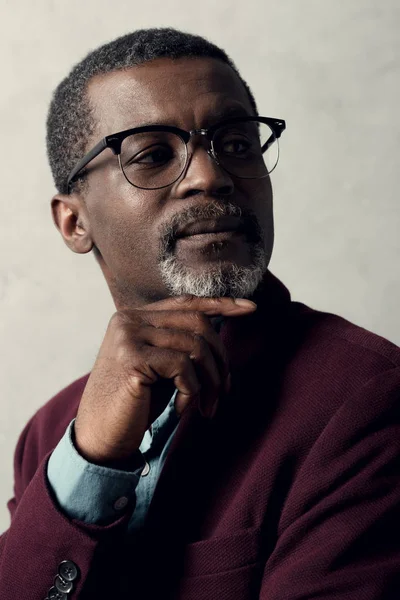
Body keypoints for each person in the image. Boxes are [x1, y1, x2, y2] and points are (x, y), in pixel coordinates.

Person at [0, 27, 399, 600]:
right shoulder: (52, 435)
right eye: (154, 154)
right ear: (74, 222)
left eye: (236, 143)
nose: (210, 175)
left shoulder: (366, 397)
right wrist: (88, 462)